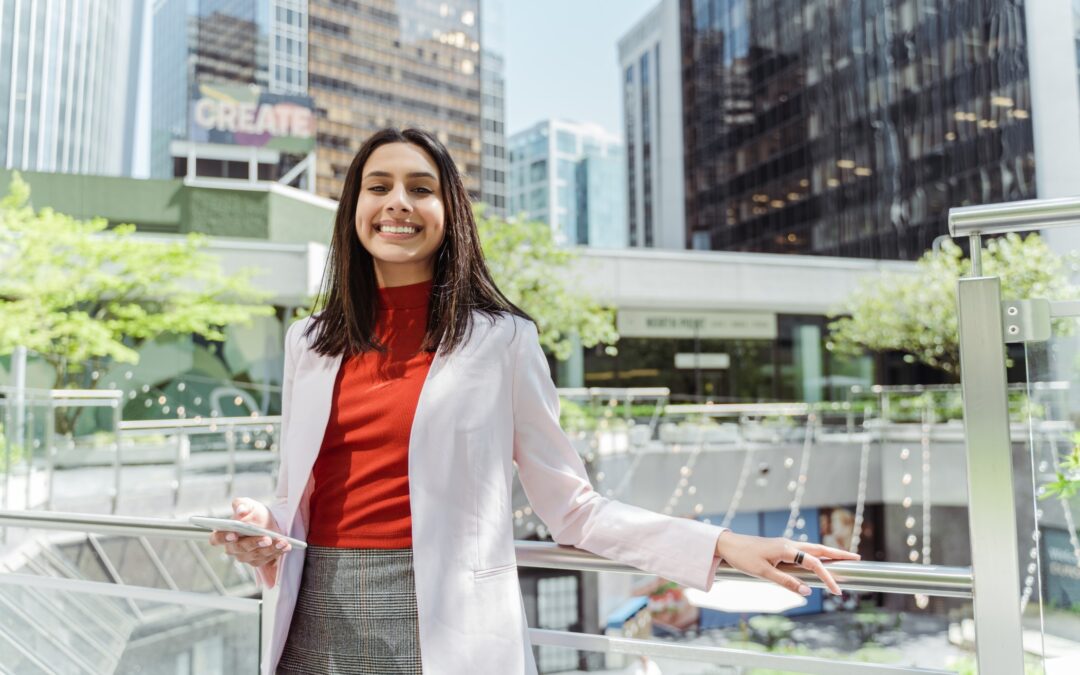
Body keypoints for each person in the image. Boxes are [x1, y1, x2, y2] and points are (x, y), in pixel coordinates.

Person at [209, 128, 859, 675]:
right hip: (314, 609)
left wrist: (719, 544)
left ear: (449, 210)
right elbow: (300, 492)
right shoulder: (310, 341)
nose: (396, 203)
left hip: (445, 622)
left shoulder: (503, 341)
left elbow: (572, 507)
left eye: (420, 188)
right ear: (354, 208)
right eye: (377, 187)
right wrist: (261, 520)